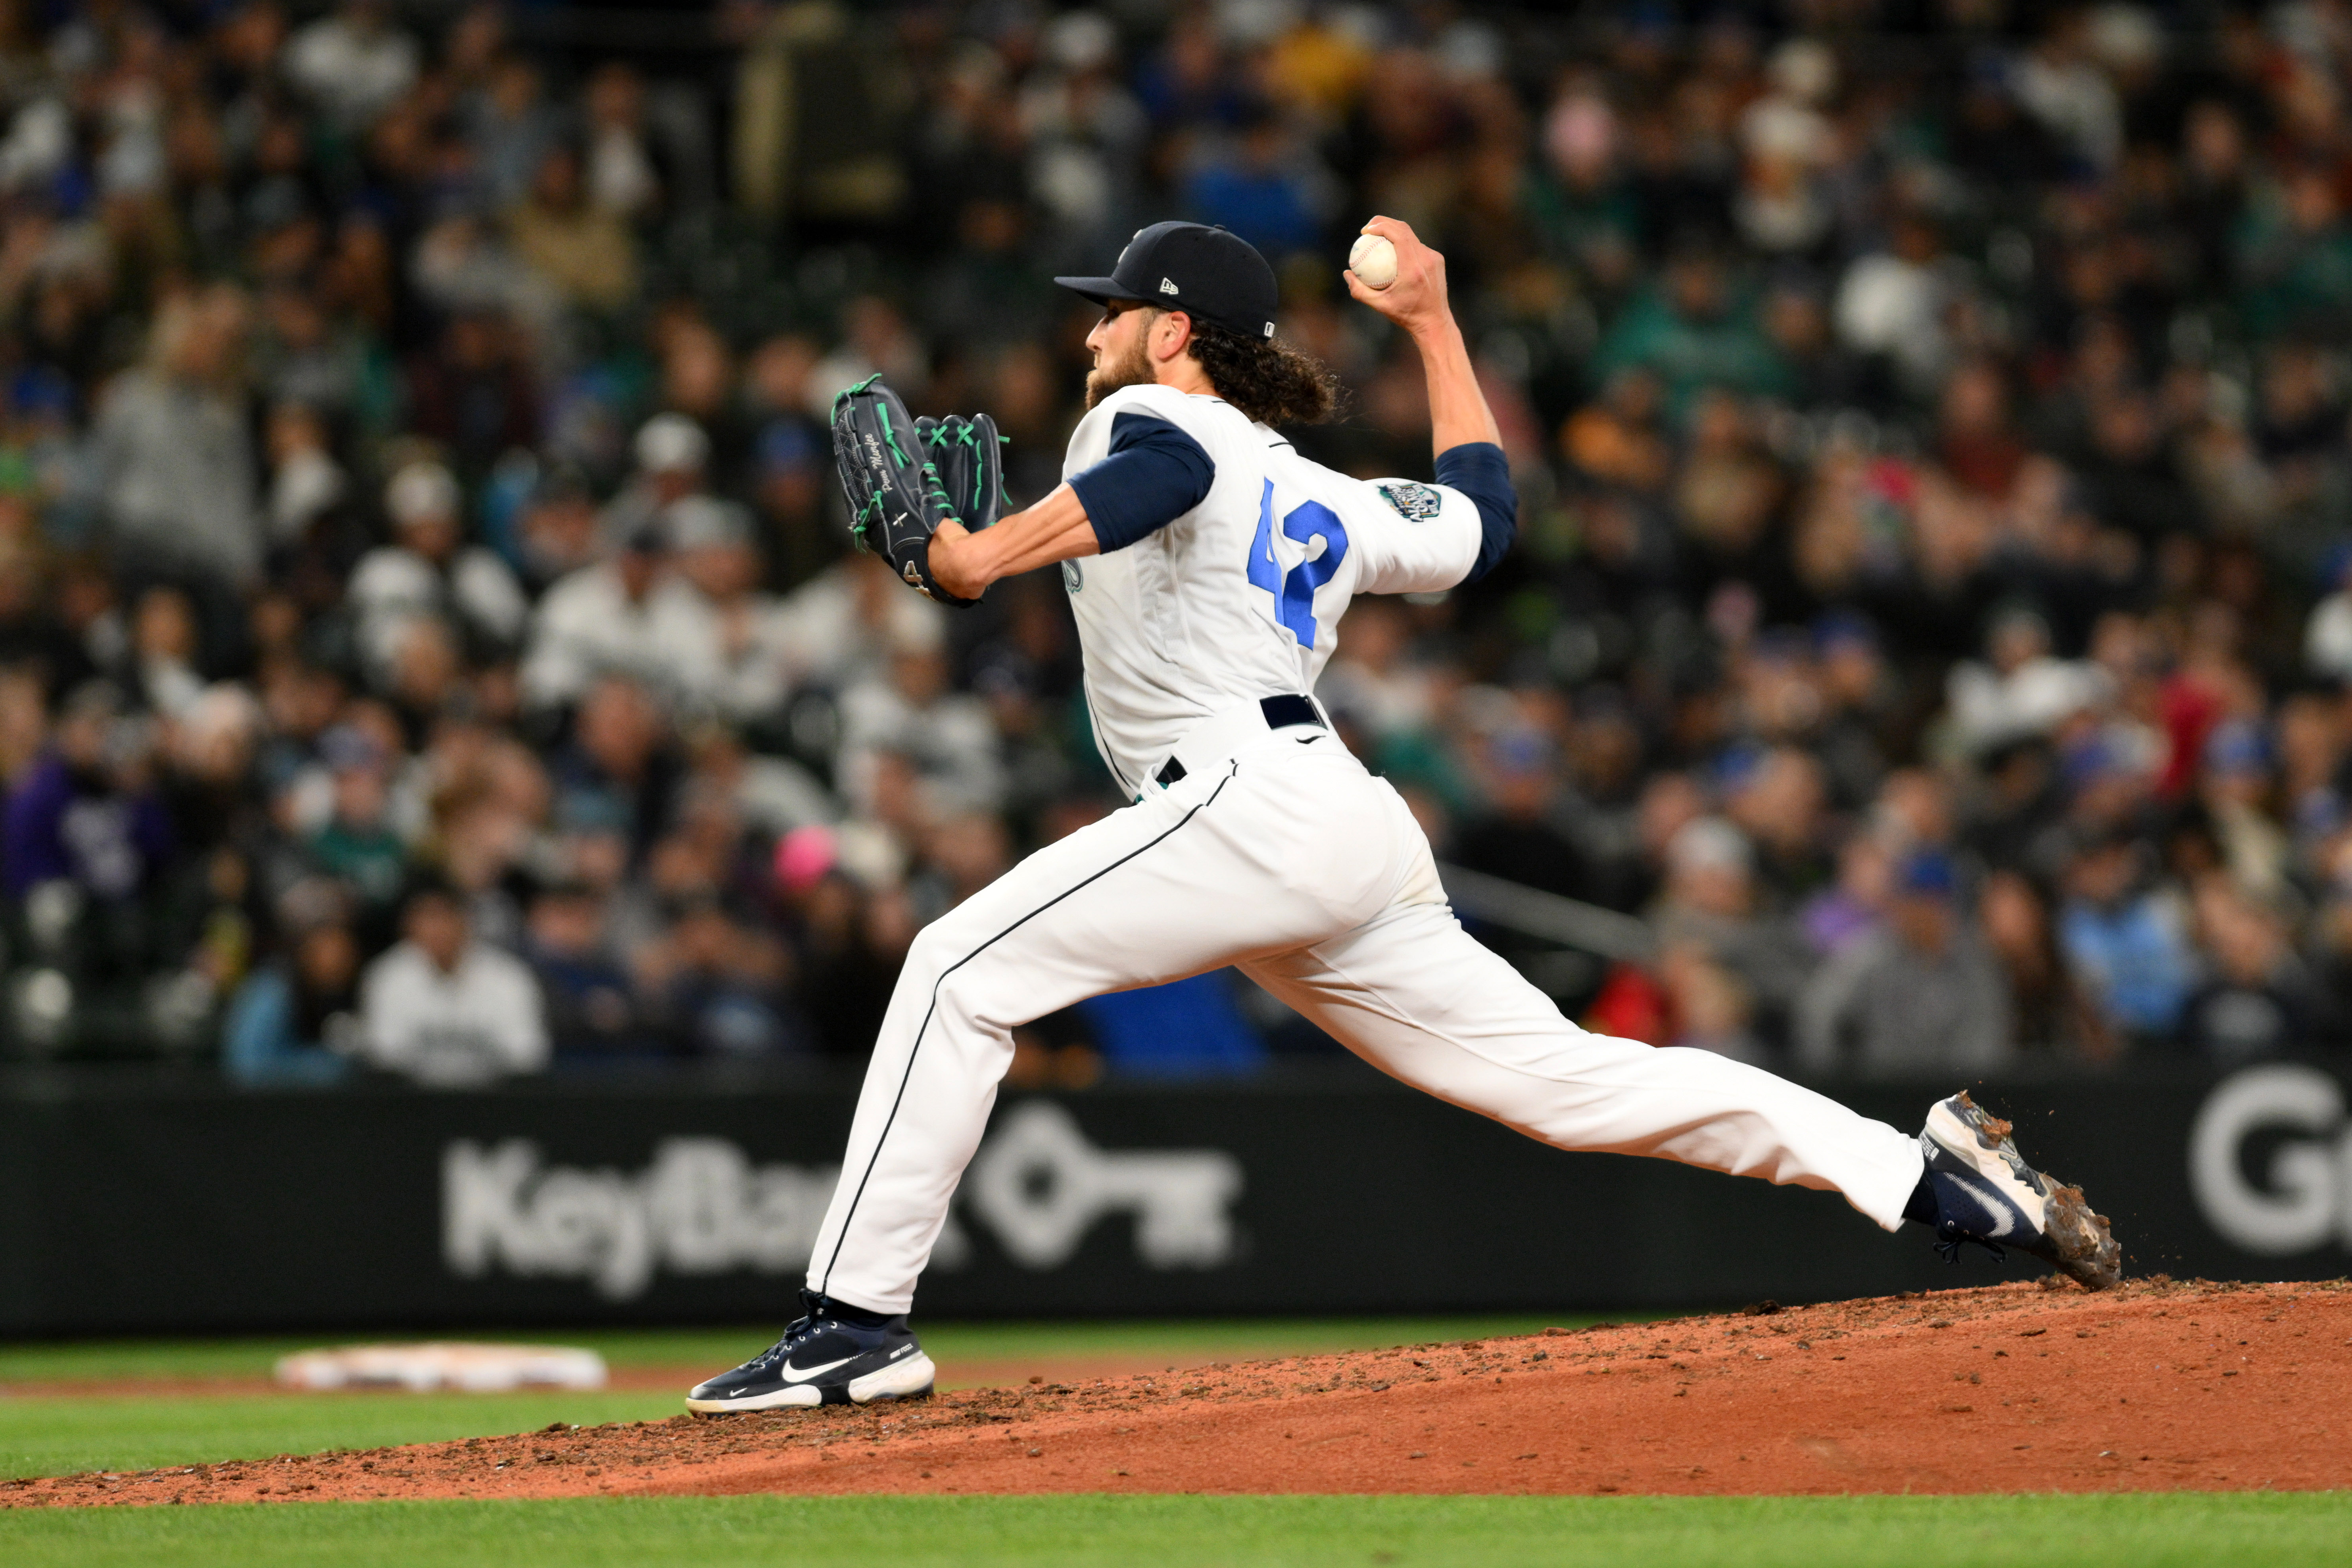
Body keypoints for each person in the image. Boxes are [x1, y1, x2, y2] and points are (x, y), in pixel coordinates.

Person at [684, 219, 2120, 1416]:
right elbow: (1485, 519)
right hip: (1340, 823)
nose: (1093, 336)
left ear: (1174, 334)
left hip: (1245, 801)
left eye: (1114, 314)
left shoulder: (1151, 417)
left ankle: (856, 1325)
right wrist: (1435, 318)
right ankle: (1932, 1181)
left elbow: (1162, 471)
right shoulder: (1323, 492)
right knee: (1569, 1084)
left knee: (951, 968)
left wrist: (972, 552)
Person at [354, 879, 548, 1087]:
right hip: (412, 1108)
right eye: (428, 919)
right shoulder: (388, 976)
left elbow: (528, 1059)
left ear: (466, 921)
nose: (439, 929)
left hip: (492, 1106)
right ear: (409, 925)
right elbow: (384, 1060)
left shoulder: (509, 977)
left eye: (446, 917)